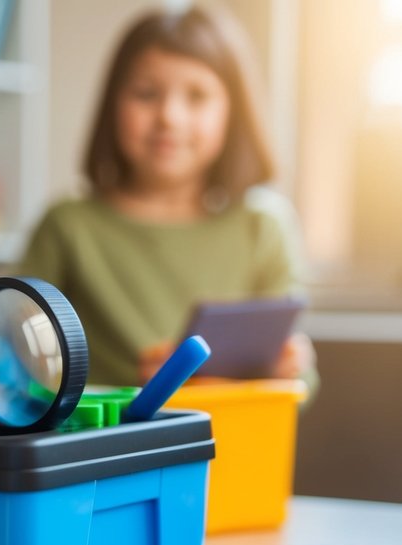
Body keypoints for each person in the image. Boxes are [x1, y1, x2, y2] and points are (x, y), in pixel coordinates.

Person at [19, 5, 317, 388]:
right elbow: (12, 356)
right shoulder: (66, 226)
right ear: (113, 105)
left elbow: (299, 384)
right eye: (146, 94)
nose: (170, 117)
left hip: (234, 441)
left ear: (233, 111)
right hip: (102, 447)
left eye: (197, 96)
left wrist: (284, 369)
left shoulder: (264, 226)